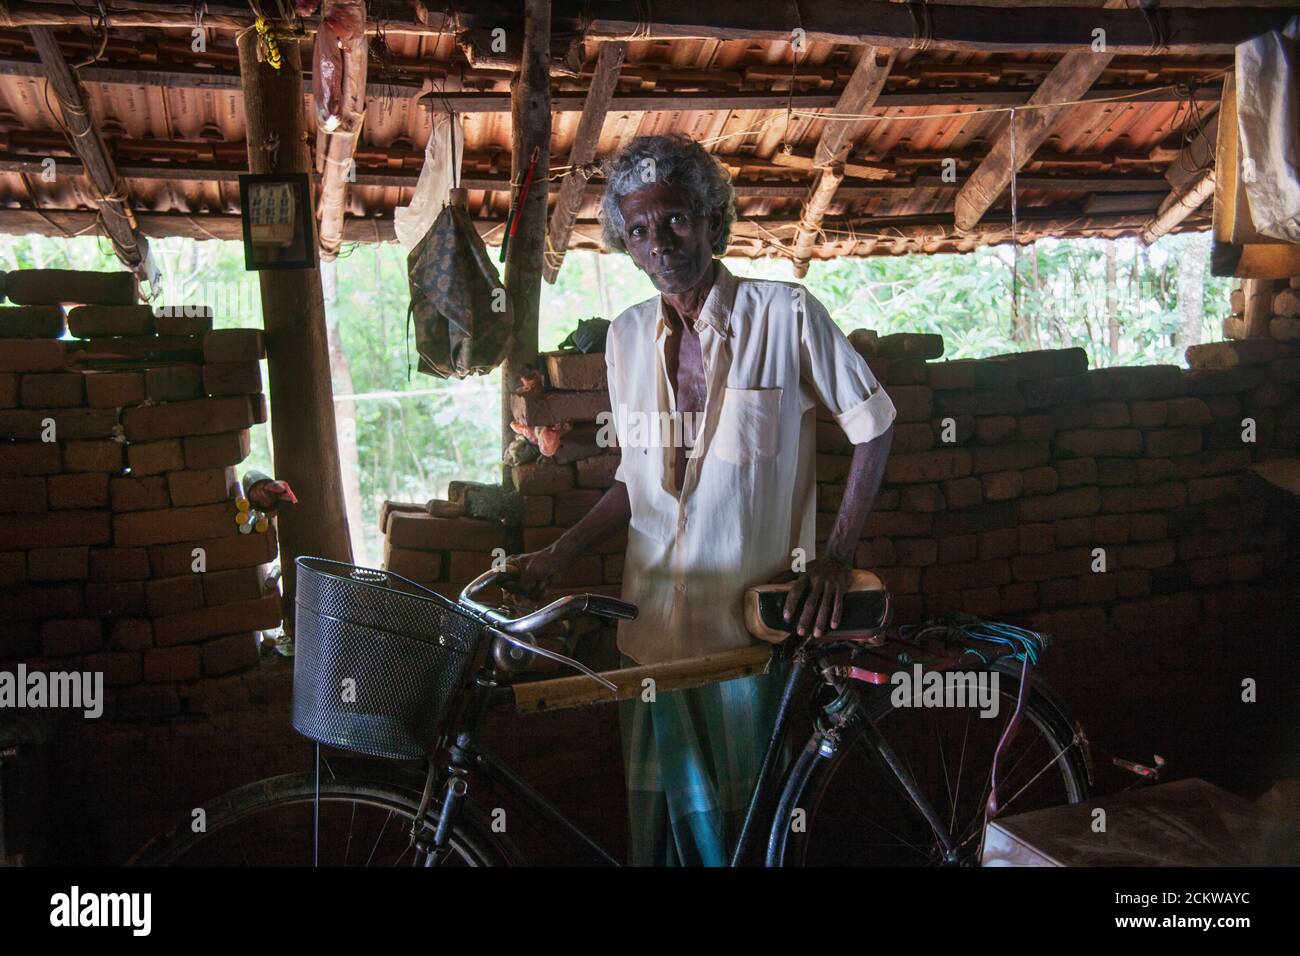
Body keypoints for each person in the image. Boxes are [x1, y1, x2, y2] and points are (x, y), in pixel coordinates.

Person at [505, 134, 896, 865]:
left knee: (751, 840)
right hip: (648, 635)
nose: (661, 243)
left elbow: (874, 427)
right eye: (642, 230)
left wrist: (836, 559)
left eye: (677, 220)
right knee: (664, 841)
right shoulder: (624, 339)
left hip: (745, 641)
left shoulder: (786, 315)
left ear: (714, 221)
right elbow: (637, 481)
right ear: (626, 241)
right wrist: (559, 554)